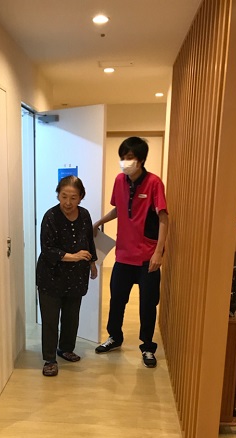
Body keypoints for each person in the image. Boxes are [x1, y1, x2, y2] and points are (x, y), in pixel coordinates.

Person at [93, 136, 168, 368]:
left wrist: (159, 252)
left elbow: (163, 218)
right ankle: (114, 337)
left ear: (141, 160)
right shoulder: (119, 180)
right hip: (123, 256)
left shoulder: (154, 183)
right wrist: (98, 222)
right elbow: (119, 209)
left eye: (129, 158)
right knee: (117, 300)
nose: (125, 162)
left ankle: (147, 347)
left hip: (147, 258)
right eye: (122, 158)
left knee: (147, 305)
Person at [36, 175, 98, 377]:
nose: (68, 202)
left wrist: (92, 262)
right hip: (51, 275)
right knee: (51, 319)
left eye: (73, 197)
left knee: (71, 317)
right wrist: (73, 256)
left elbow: (89, 240)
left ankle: (65, 348)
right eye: (64, 196)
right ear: (58, 195)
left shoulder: (85, 215)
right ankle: (49, 359)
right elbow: (47, 249)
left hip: (76, 276)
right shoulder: (50, 216)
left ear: (81, 197)